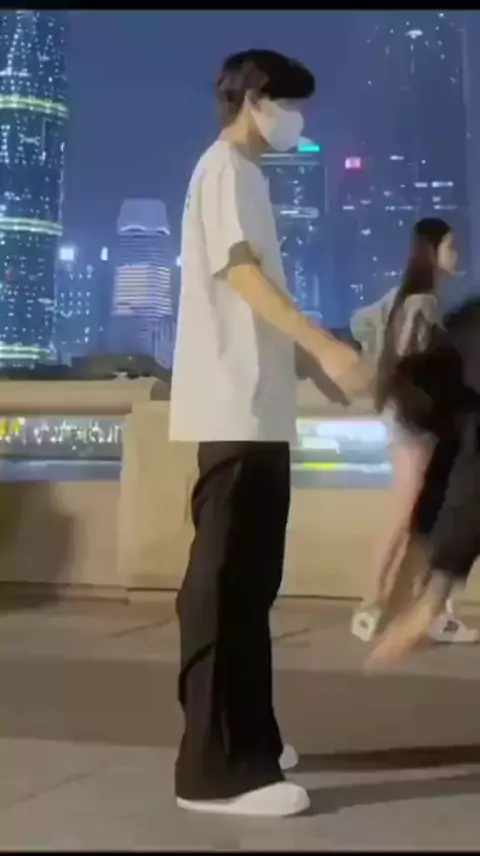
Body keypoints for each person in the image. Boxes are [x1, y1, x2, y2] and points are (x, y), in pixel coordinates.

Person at [169, 49, 370, 818]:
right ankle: (214, 770)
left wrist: (316, 365)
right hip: (233, 408)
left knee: (249, 582)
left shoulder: (244, 176)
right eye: (289, 103)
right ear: (254, 99)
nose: (297, 120)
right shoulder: (225, 169)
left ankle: (252, 735)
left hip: (256, 407)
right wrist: (323, 347)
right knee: (225, 585)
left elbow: (263, 293)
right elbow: (241, 274)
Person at [351, 219, 478, 646]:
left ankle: (408, 609)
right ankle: (374, 605)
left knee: (419, 514)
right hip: (416, 421)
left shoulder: (414, 298)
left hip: (411, 418)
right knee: (413, 513)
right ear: (432, 251)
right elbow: (411, 361)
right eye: (450, 247)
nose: (457, 254)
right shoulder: (423, 302)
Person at [367, 297, 480, 665]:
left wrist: (428, 604)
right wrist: (406, 588)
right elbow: (446, 473)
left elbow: (470, 488)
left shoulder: (466, 350)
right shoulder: (458, 340)